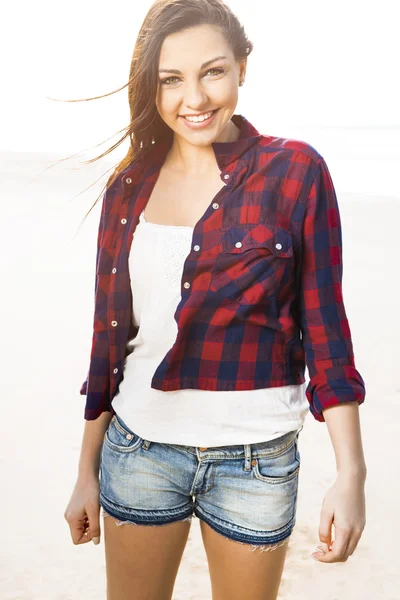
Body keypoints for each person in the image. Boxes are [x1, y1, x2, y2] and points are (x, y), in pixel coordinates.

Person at [64, 1, 368, 598]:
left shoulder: (296, 171)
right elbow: (109, 342)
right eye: (170, 80)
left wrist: (351, 473)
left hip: (256, 465)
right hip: (139, 451)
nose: (194, 98)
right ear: (150, 86)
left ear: (242, 68)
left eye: (212, 71)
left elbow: (326, 328)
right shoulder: (129, 187)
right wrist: (85, 471)